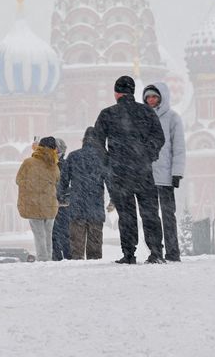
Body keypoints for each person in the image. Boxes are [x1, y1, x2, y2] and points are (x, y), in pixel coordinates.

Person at [93, 75, 166, 264]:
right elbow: (159, 138)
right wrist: (147, 155)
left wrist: (109, 163)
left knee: (126, 215)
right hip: (143, 171)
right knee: (149, 212)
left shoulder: (107, 114)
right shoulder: (147, 112)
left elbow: (97, 143)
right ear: (132, 92)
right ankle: (156, 252)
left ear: (116, 93)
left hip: (119, 173)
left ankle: (128, 254)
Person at [144, 83, 186, 262]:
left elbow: (178, 148)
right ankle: (155, 251)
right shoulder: (143, 118)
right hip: (146, 176)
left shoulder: (172, 118)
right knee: (150, 217)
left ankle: (173, 251)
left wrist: (177, 172)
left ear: (162, 98)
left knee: (168, 215)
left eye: (154, 97)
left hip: (166, 176)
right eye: (148, 97)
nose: (151, 100)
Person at [60, 126, 111, 259]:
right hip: (96, 205)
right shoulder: (103, 157)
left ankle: (77, 265)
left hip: (77, 204)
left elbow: (63, 180)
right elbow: (110, 181)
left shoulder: (74, 156)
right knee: (95, 244)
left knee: (76, 244)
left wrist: (61, 196)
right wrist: (114, 199)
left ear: (84, 139)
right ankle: (94, 268)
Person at [16, 136, 62, 261]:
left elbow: (18, 180)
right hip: (50, 204)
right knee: (48, 235)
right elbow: (57, 180)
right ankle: (48, 258)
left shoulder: (28, 163)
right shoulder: (54, 165)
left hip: (33, 204)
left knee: (39, 235)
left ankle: (43, 260)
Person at [52, 138, 71, 261]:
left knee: (60, 234)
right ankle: (61, 257)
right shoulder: (62, 164)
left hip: (60, 204)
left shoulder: (63, 164)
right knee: (58, 234)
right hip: (59, 204)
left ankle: (61, 257)